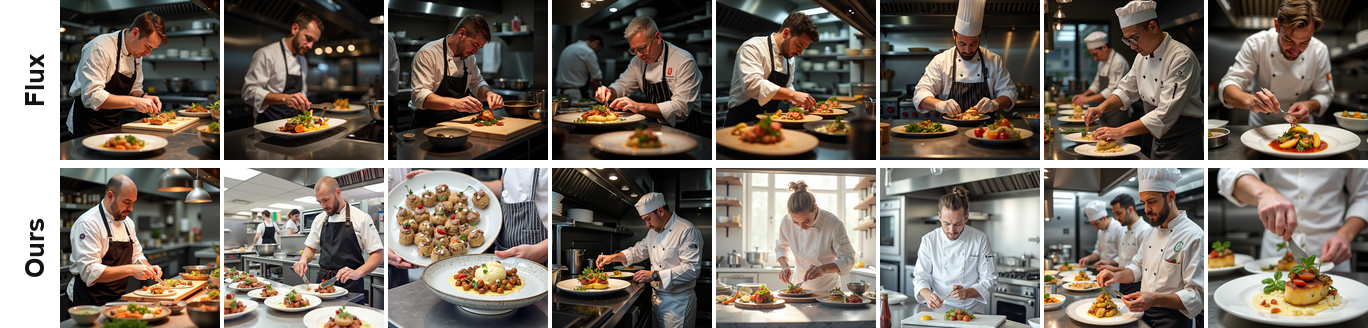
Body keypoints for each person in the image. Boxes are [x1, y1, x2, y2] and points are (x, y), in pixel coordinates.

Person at [1083, 0, 1203, 160]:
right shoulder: (1142, 57)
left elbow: (1165, 113)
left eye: (1134, 38)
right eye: (1127, 40)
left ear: (1153, 27)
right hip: (1158, 138)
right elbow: (1125, 90)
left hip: (1183, 141)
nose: (1132, 46)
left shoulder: (1181, 58)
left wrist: (1119, 131)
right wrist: (1101, 107)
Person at [1096, 168, 1204, 328]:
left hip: (1173, 318)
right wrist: (1115, 276)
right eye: (1143, 203)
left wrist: (1155, 298)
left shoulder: (1194, 235)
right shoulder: (1151, 231)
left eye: (1152, 202)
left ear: (1170, 196)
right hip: (1143, 311)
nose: (1146, 209)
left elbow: (1196, 295)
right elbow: (1138, 267)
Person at [1217, 168, 1367, 273]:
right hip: (1275, 254)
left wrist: (1346, 235)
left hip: (1332, 256)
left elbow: (1364, 196)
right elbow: (1229, 172)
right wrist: (1264, 194)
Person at [1218, 0, 1333, 127]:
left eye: (1305, 42)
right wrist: (1252, 102)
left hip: (1301, 127)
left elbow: (1325, 94)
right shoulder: (1256, 44)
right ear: (1277, 26)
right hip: (1262, 127)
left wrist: (1309, 106)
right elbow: (1228, 87)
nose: (1295, 51)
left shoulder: (1319, 51)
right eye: (1288, 39)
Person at [595, 193, 701, 328]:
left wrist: (654, 275)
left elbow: (692, 269)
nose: (647, 224)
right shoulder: (653, 232)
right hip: (656, 300)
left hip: (678, 304)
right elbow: (638, 251)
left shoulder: (686, 230)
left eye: (648, 219)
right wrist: (612, 257)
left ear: (660, 211)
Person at [593, 16, 706, 135]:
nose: (639, 55)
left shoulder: (683, 60)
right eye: (634, 50)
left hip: (687, 130)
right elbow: (623, 85)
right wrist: (608, 91)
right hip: (657, 128)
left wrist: (640, 107)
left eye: (642, 48)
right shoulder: (637, 61)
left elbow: (681, 109)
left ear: (657, 38)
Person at [67, 175, 162, 306]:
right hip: (88, 302)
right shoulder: (88, 223)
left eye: (133, 203)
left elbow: (136, 256)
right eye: (127, 202)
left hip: (117, 299)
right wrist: (131, 270)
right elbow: (89, 271)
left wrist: (148, 268)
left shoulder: (128, 223)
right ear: (110, 196)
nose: (131, 209)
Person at [66, 11, 165, 137]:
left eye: (152, 49)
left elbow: (135, 88)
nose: (148, 53)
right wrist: (134, 102)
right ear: (135, 33)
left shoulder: (137, 53)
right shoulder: (100, 47)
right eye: (147, 46)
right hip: (87, 124)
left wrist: (144, 97)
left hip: (113, 125)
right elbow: (92, 96)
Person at [912, 0, 1016, 117]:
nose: (967, 50)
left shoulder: (994, 60)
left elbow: (1009, 92)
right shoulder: (941, 61)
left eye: (973, 43)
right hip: (951, 129)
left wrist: (995, 104)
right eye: (962, 43)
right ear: (953, 35)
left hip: (986, 131)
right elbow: (920, 93)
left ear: (980, 35)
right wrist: (939, 105)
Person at [293, 176, 384, 302]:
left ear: (338, 192)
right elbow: (310, 248)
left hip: (350, 283)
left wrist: (358, 272)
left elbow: (378, 255)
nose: (323, 206)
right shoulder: (320, 219)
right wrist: (303, 260)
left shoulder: (361, 218)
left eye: (326, 200)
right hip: (323, 284)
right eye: (319, 202)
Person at [409, 14, 504, 129]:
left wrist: (489, 93)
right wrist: (456, 103)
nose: (475, 52)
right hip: (426, 126)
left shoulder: (469, 58)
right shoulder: (428, 54)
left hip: (456, 125)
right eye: (475, 45)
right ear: (461, 34)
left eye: (479, 47)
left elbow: (477, 83)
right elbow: (419, 96)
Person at [723, 12, 819, 126]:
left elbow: (787, 85)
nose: (800, 53)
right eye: (799, 45)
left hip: (770, 121)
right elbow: (752, 85)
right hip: (742, 120)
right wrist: (792, 94)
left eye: (804, 48)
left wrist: (793, 98)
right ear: (786, 33)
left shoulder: (789, 58)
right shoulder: (753, 47)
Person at [912, 186, 996, 314]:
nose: (952, 231)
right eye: (946, 223)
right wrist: (928, 296)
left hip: (971, 312)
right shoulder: (929, 240)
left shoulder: (980, 239)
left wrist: (967, 292)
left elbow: (990, 278)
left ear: (966, 218)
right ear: (939, 217)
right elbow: (920, 278)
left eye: (958, 224)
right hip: (939, 310)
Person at [774, 181, 857, 292]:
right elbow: (781, 247)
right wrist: (785, 266)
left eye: (806, 221)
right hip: (799, 286)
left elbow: (848, 259)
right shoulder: (786, 221)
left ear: (815, 208)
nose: (802, 226)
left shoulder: (833, 223)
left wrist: (823, 268)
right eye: (796, 223)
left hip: (827, 289)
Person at [243, 12, 323, 124]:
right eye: (308, 38)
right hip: (268, 125)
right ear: (295, 29)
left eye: (314, 42)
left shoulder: (302, 59)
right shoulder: (267, 54)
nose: (310, 46)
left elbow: (302, 93)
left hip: (294, 125)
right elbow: (248, 92)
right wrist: (285, 98)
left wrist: (309, 117)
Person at [1073, 31, 1132, 130]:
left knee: (1118, 141)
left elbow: (1112, 90)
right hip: (1104, 110)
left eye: (1095, 54)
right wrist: (1084, 95)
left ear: (1104, 47)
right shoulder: (1102, 62)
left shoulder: (1119, 62)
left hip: (1117, 111)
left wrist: (1089, 99)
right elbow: (1096, 84)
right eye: (1092, 55)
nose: (1095, 58)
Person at [1107, 193, 1154, 294]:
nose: (1116, 218)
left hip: (1137, 285)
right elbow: (1123, 258)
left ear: (1130, 210)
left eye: (1118, 213)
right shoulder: (1123, 231)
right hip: (1122, 282)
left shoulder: (1145, 231)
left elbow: (1143, 266)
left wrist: (1114, 270)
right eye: (1114, 214)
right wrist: (1110, 263)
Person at [555, 34, 604, 100]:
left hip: (560, 93)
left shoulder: (569, 47)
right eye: (597, 50)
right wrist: (595, 94)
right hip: (576, 94)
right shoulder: (588, 52)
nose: (595, 52)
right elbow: (597, 77)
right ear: (596, 43)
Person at [1078, 200, 1125, 269]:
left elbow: (1123, 257)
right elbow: (1098, 252)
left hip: (1116, 272)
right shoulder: (1101, 231)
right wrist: (1088, 258)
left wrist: (1108, 263)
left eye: (1096, 224)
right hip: (1103, 271)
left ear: (1104, 218)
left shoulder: (1119, 229)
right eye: (1093, 225)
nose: (1095, 228)